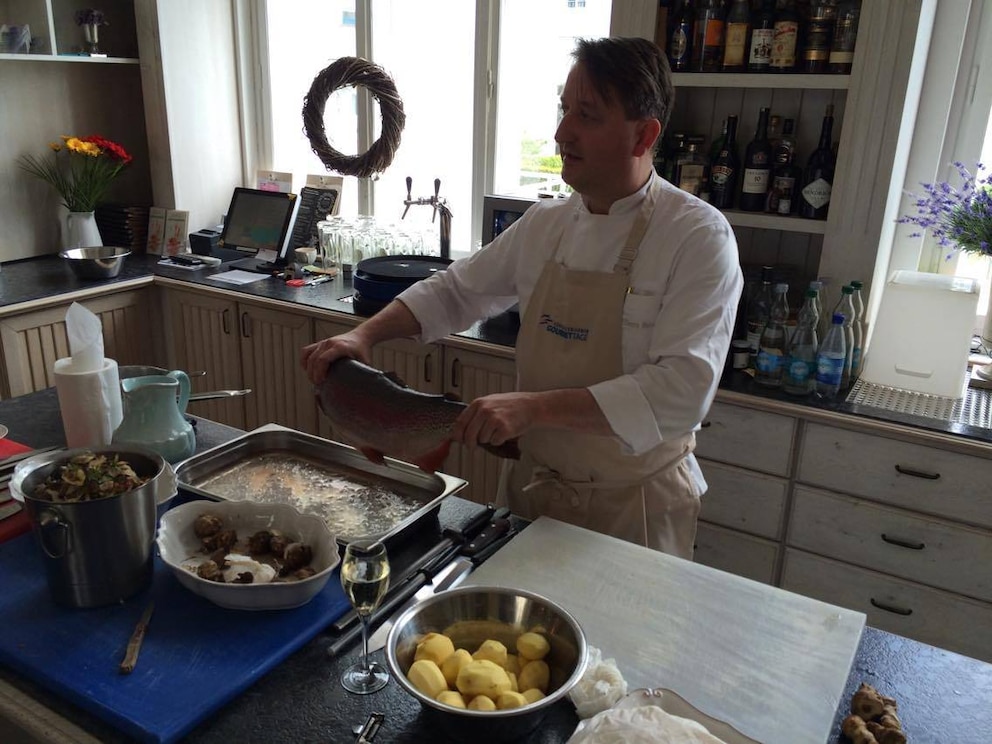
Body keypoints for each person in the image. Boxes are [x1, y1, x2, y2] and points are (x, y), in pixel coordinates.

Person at [302, 37, 743, 559]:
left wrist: (533, 409)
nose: (562, 133)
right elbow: (457, 289)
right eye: (564, 110)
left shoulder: (696, 237)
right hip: (535, 496)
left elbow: (682, 391)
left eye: (587, 115)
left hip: (635, 512)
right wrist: (363, 333)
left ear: (643, 135)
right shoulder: (548, 222)